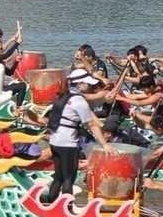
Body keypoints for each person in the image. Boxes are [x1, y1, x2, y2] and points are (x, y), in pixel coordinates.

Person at [33, 68, 116, 206]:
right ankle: (67, 208)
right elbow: (91, 124)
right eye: (89, 84)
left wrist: (104, 98)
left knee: (58, 176)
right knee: (69, 178)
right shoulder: (78, 101)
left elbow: (90, 103)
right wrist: (104, 144)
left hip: (55, 141)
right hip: (67, 143)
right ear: (81, 84)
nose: (91, 86)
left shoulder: (62, 95)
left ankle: (50, 203)